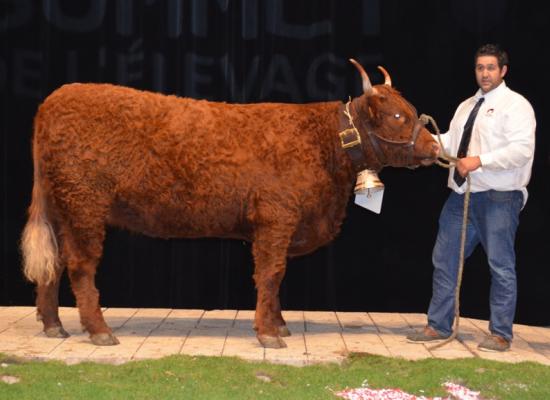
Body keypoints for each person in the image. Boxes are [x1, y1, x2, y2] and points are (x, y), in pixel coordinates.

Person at [407, 44, 536, 352]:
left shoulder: (516, 105)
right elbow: (453, 139)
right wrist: (425, 143)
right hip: (462, 195)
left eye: (491, 67)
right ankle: (438, 325)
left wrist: (479, 161)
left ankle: (500, 332)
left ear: (503, 71)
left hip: (500, 197)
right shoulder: (467, 105)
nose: (485, 73)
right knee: (444, 259)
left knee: (500, 265)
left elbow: (521, 150)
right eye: (480, 68)